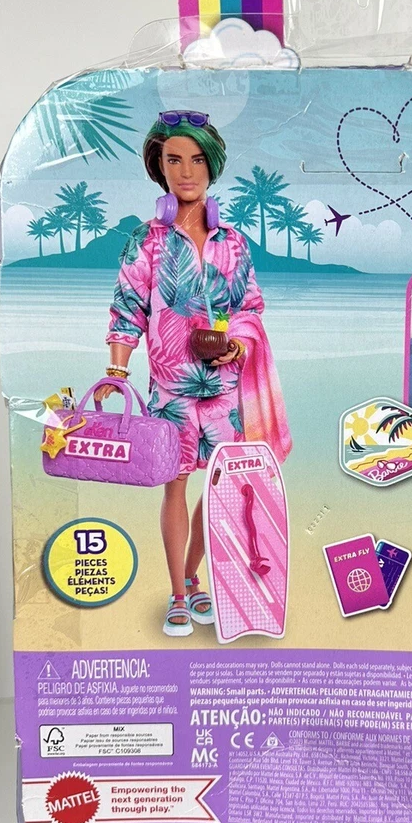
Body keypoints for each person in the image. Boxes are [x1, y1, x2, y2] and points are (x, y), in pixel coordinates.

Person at [103, 110, 291, 637]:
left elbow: (250, 306)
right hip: (171, 389)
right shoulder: (146, 240)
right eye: (174, 160)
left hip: (225, 389)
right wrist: (116, 371)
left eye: (197, 160)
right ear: (159, 167)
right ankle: (179, 594)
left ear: (212, 166)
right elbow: (127, 310)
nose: (186, 172)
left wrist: (238, 344)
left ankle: (192, 575)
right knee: (175, 488)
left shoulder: (233, 241)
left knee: (222, 486)